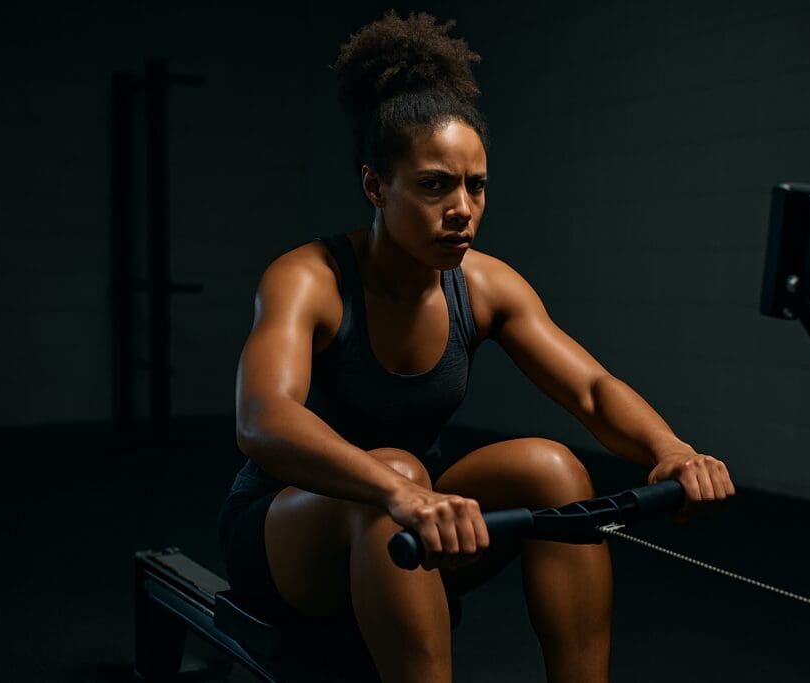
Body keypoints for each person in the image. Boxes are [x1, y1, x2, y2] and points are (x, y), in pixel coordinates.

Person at [217, 10, 735, 683]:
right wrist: (397, 491)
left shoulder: (483, 285)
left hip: (418, 518)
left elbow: (591, 389)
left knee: (552, 470)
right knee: (398, 471)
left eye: (475, 185)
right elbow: (262, 418)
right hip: (288, 535)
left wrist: (670, 449)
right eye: (435, 184)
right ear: (376, 185)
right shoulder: (308, 278)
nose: (461, 207)